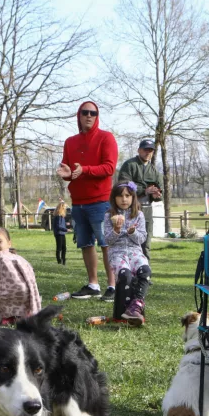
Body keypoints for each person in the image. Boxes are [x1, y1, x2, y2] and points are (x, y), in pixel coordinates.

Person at [57, 100, 118, 302]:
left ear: (97, 116)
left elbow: (109, 168)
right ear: (79, 116)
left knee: (106, 243)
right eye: (85, 112)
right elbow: (71, 172)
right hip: (78, 202)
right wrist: (66, 174)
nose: (89, 116)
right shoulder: (70, 142)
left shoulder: (106, 138)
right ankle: (93, 285)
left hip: (100, 201)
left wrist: (85, 169)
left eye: (93, 113)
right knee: (85, 243)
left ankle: (113, 285)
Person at [103, 181, 150, 326]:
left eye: (127, 196)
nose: (124, 199)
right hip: (117, 253)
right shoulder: (108, 215)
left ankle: (136, 305)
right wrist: (117, 230)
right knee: (125, 275)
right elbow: (108, 240)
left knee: (145, 271)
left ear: (133, 197)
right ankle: (121, 312)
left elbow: (142, 238)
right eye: (120, 196)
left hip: (135, 252)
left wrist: (133, 232)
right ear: (114, 198)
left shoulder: (139, 215)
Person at [0, 227, 42, 323]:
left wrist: (35, 310)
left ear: (9, 243)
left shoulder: (17, 260)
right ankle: (6, 318)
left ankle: (23, 315)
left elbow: (31, 281)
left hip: (20, 296)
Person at [117, 138, 163, 260]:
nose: (148, 153)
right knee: (128, 243)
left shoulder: (154, 170)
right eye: (145, 150)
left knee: (145, 244)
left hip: (147, 211)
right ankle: (128, 274)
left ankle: (145, 276)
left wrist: (156, 195)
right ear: (139, 150)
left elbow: (160, 189)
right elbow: (124, 185)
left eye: (150, 150)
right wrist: (144, 190)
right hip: (130, 210)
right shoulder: (129, 165)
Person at [53, 200, 69, 265]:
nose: (65, 209)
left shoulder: (62, 217)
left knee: (64, 248)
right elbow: (58, 226)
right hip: (59, 233)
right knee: (59, 247)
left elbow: (61, 224)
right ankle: (59, 260)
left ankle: (63, 260)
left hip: (62, 233)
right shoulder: (58, 217)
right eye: (64, 207)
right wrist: (66, 229)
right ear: (61, 208)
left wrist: (66, 224)